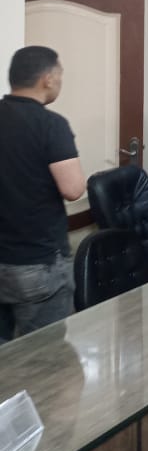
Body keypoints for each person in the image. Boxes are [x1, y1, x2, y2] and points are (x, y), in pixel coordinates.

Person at [0, 47, 86, 343]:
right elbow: (73, 189)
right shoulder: (51, 125)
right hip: (38, 261)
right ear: (47, 79)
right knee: (44, 354)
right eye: (60, 75)